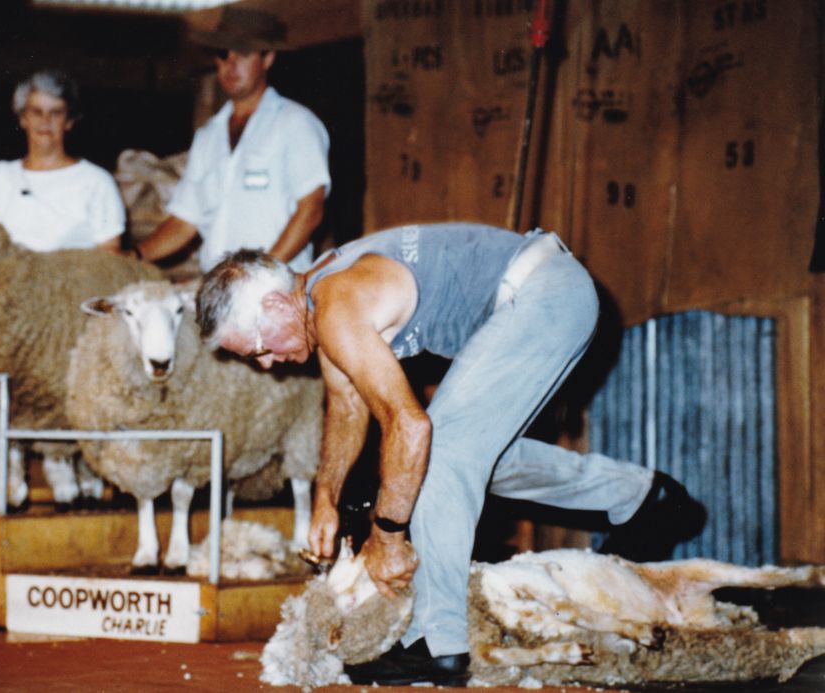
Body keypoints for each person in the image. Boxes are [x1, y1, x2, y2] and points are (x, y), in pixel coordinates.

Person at [195, 223, 705, 686]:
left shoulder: (336, 305)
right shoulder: (321, 298)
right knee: (472, 455)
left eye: (258, 349)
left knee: (437, 452)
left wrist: (388, 536)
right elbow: (347, 406)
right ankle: (643, 498)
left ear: (274, 304)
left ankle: (437, 642)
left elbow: (410, 426)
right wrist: (325, 498)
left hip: (543, 293)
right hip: (547, 293)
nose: (266, 364)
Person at [132, 6, 330, 273]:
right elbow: (184, 222)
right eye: (223, 53)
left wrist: (259, 274)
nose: (231, 63)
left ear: (268, 58)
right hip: (218, 284)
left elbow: (310, 210)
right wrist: (133, 256)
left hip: (278, 283)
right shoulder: (208, 136)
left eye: (244, 53)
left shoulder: (295, 123)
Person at [0, 69, 125, 253]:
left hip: (71, 274)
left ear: (69, 121)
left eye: (56, 113)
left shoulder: (97, 181)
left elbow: (110, 254)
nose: (45, 121)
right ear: (23, 119)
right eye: (36, 112)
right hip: (9, 274)